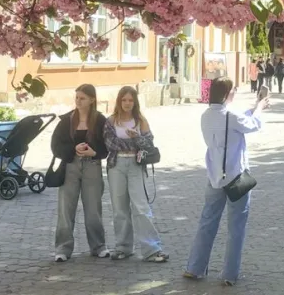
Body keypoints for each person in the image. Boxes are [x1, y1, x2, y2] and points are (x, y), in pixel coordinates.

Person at [184, 77, 267, 286]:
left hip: (214, 176)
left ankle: (194, 267)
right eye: (233, 90)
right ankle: (229, 274)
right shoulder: (231, 116)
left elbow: (234, 122)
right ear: (228, 93)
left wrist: (251, 109)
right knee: (236, 227)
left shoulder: (206, 116)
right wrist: (260, 107)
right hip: (235, 177)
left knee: (207, 223)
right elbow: (253, 125)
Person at [105, 86, 169, 263]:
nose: (127, 103)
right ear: (119, 101)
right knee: (119, 208)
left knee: (141, 207)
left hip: (136, 165)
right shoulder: (111, 121)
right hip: (116, 165)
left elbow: (149, 145)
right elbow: (111, 145)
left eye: (130, 100)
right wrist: (134, 142)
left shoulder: (140, 120)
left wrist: (136, 138)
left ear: (135, 102)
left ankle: (152, 249)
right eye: (124, 100)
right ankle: (123, 247)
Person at [51, 83, 109, 262]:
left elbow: (107, 146)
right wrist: (73, 149)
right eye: (76, 97)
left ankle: (98, 246)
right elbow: (55, 146)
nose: (78, 101)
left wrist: (94, 152)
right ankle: (63, 248)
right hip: (71, 166)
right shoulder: (67, 120)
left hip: (92, 165)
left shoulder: (100, 120)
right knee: (66, 209)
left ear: (92, 100)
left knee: (93, 209)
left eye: (82, 98)